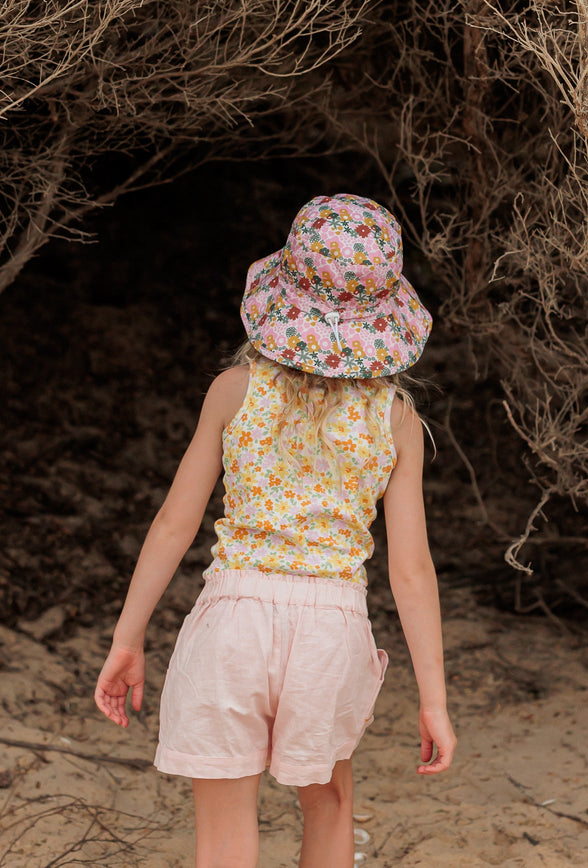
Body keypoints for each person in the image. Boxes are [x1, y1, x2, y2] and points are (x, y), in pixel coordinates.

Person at [94, 193, 456, 868]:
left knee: (225, 835)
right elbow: (410, 570)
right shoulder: (395, 419)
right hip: (330, 632)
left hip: (232, 622)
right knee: (330, 806)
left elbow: (175, 523)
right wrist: (433, 699)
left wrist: (127, 637)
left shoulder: (235, 390)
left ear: (283, 296)